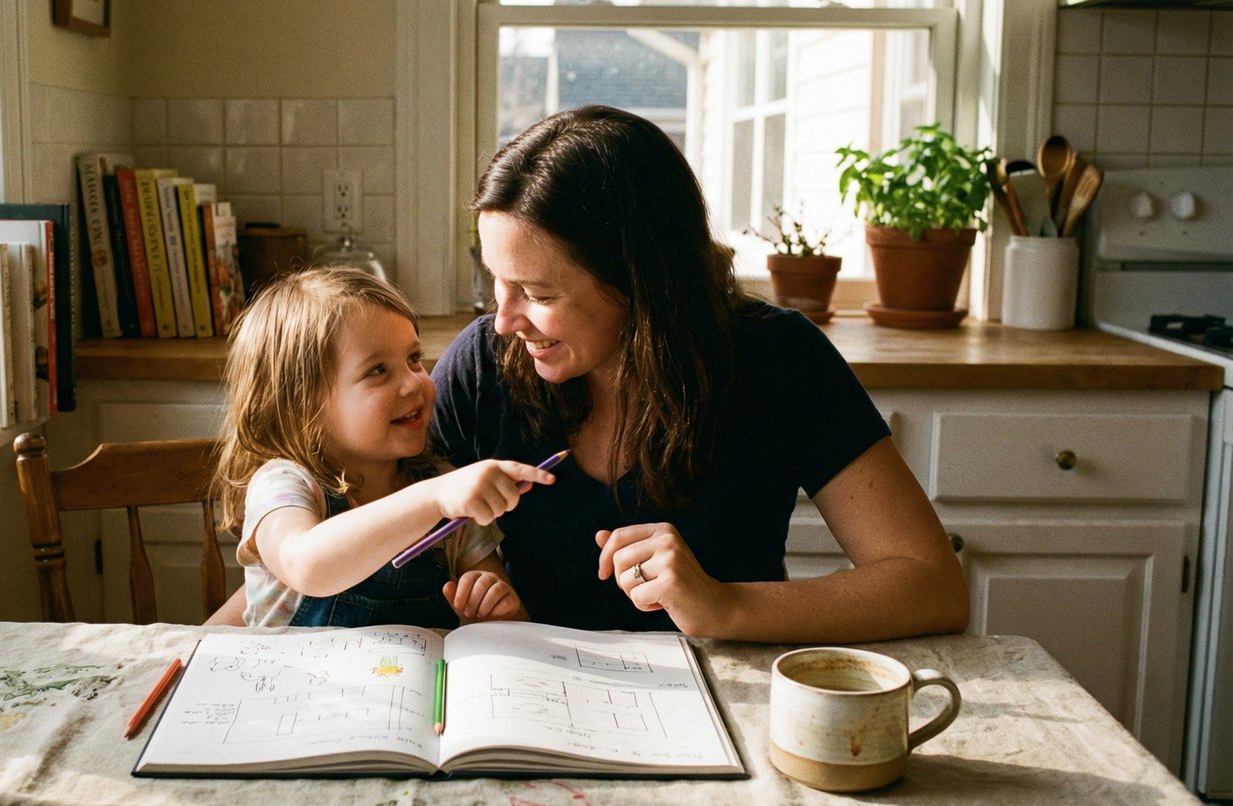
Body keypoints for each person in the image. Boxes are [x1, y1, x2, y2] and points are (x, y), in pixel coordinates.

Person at [429, 104, 969, 642]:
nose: (503, 321)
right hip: (538, 698)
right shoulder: (483, 365)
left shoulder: (777, 357)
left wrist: (724, 605)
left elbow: (932, 586)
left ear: (639, 280)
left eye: (538, 293)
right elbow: (386, 531)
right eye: (496, 280)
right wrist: (480, 575)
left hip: (730, 699)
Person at [209, 267, 553, 628]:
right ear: (303, 404)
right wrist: (433, 498)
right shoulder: (285, 485)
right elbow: (306, 565)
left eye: (414, 359)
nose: (413, 383)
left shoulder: (446, 489)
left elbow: (512, 626)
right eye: (377, 371)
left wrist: (494, 607)